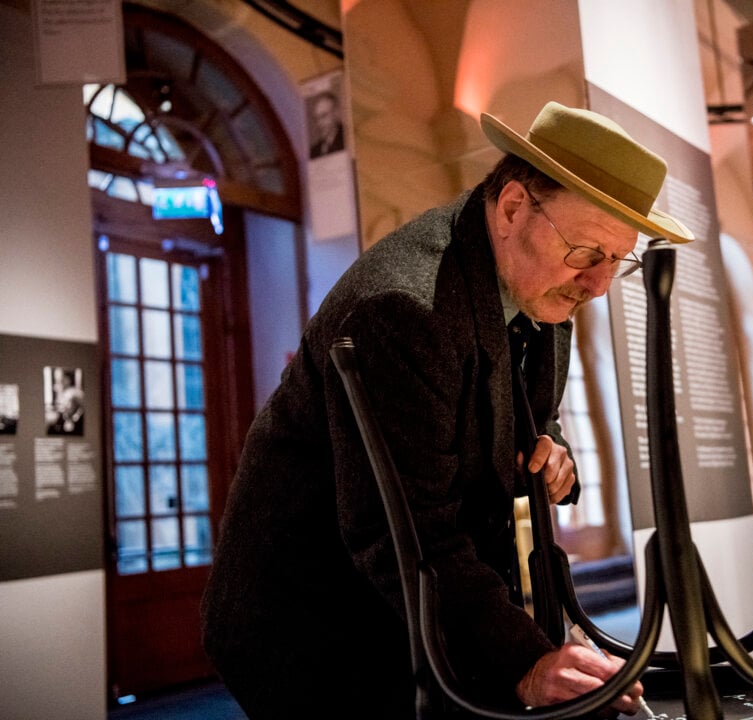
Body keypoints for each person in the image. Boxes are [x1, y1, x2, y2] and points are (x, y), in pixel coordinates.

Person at [201, 101, 693, 717]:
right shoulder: (405, 309)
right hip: (316, 617)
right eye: (588, 253)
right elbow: (402, 531)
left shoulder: (538, 282)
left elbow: (514, 407)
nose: (597, 285)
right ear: (514, 206)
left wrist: (546, 448)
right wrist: (525, 660)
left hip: (411, 600)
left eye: (616, 262)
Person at [308, 90, 345, 158]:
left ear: (335, 113)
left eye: (324, 116)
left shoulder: (346, 140)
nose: (319, 124)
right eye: (317, 118)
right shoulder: (313, 151)